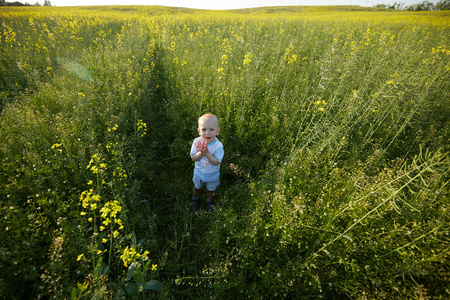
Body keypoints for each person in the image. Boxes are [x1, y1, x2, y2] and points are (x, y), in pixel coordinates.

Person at [190, 113, 224, 212]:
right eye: (204, 129)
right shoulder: (197, 142)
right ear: (199, 131)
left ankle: (210, 201)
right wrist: (201, 152)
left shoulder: (218, 146)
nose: (207, 133)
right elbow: (193, 158)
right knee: (197, 188)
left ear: (218, 131)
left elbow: (216, 162)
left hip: (212, 175)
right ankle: (194, 199)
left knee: (211, 190)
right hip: (199, 173)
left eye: (211, 129)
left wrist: (207, 153)